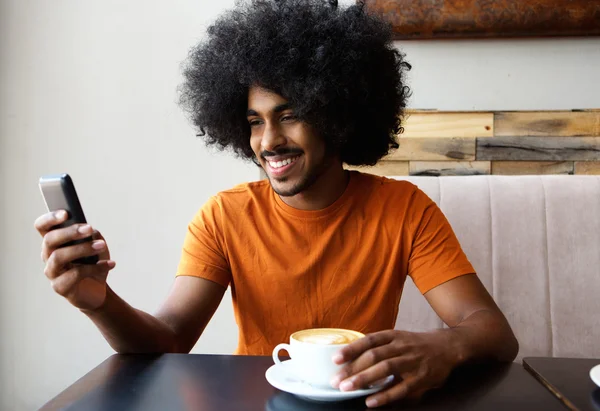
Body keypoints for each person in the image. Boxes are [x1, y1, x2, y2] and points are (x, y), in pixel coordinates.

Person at [34, 0, 518, 407]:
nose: (268, 141)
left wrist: (444, 347)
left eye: (290, 116)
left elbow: (493, 332)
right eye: (254, 121)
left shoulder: (404, 209)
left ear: (337, 114)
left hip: (362, 400)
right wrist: (97, 303)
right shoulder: (224, 215)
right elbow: (170, 339)